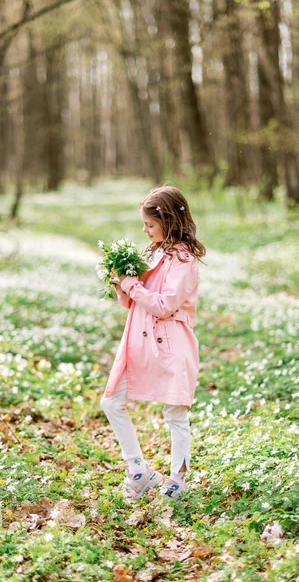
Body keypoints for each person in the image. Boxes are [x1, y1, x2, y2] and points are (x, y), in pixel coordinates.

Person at [100, 185, 206, 501]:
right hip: (139, 342)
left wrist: (130, 284)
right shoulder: (154, 253)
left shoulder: (184, 261)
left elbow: (163, 304)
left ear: (169, 220)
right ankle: (138, 470)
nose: (145, 231)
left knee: (175, 414)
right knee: (111, 401)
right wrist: (119, 284)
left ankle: (177, 480)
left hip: (172, 345)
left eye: (149, 224)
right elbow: (133, 303)